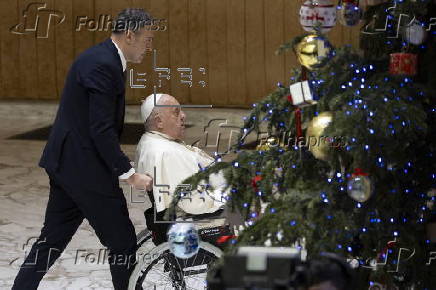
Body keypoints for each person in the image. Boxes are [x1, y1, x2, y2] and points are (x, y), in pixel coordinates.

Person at [12, 8, 154, 290]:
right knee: (122, 242)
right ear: (129, 35)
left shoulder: (102, 57)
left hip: (68, 164)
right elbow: (100, 130)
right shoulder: (104, 64)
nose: (150, 46)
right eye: (147, 39)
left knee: (52, 240)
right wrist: (128, 174)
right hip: (85, 168)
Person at [134, 94, 228, 242]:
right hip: (204, 220)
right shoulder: (167, 153)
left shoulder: (151, 141)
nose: (183, 116)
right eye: (176, 112)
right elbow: (194, 203)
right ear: (159, 121)